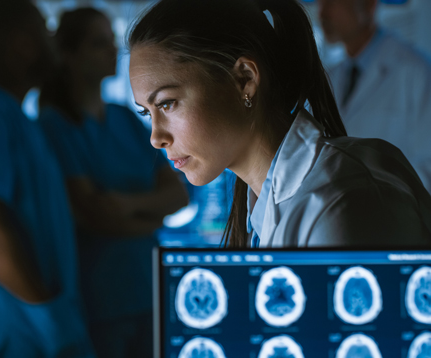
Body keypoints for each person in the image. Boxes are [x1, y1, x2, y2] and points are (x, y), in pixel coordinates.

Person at [128, 0, 431, 248]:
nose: (156, 138)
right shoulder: (258, 209)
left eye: (167, 103)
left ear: (244, 79)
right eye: (146, 112)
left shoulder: (341, 201)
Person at [0, 1, 94, 357]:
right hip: (8, 339)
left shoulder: (19, 119)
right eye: (44, 29)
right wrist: (53, 322)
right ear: (21, 43)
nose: (54, 40)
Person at [37, 8, 188, 358]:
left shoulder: (124, 117)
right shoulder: (54, 126)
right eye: (98, 43)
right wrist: (151, 216)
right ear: (69, 55)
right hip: (99, 299)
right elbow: (95, 216)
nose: (112, 50)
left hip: (148, 291)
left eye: (111, 41)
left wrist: (126, 205)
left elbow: (179, 195)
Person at [318, 0, 431, 192]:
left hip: (395, 216)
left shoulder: (415, 72)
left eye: (332, 1)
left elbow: (427, 168)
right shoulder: (331, 76)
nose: (323, 13)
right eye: (320, 2)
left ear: (369, 5)